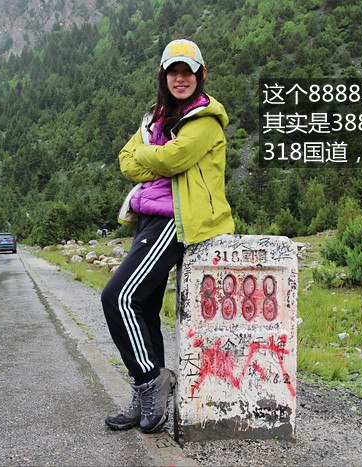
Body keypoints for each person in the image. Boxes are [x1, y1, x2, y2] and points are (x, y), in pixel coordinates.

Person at [101, 39, 234, 433]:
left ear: (201, 75)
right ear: (163, 76)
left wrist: (154, 157)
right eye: (173, 71)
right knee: (142, 307)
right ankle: (146, 398)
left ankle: (150, 381)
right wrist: (156, 158)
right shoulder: (154, 118)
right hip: (147, 219)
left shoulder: (205, 119)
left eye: (187, 72)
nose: (180, 78)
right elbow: (126, 161)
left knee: (117, 297)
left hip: (174, 220)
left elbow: (174, 158)